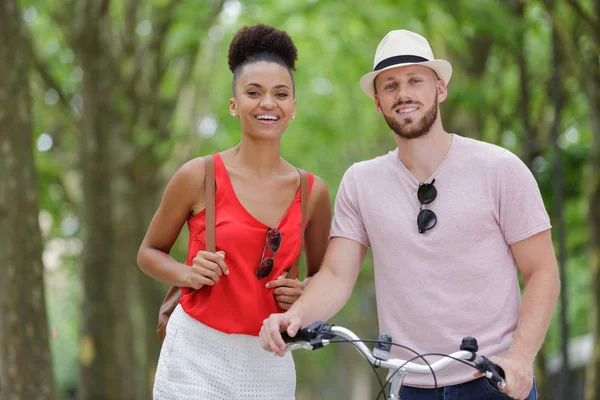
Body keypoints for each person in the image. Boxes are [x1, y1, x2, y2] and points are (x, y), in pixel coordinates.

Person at [260, 29, 560, 400]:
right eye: (389, 86)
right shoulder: (360, 182)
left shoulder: (499, 168)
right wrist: (297, 316)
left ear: (440, 89)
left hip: (495, 381)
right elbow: (337, 275)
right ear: (377, 102)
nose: (403, 94)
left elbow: (542, 271)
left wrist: (520, 357)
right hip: (409, 386)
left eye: (415, 80)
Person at [137, 24, 332, 399]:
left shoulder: (313, 192)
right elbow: (148, 253)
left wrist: (302, 296)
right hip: (195, 351)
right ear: (233, 104)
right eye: (253, 93)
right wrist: (188, 273)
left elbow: (324, 278)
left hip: (270, 358)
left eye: (281, 94)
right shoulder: (198, 176)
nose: (267, 103)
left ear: (293, 107)